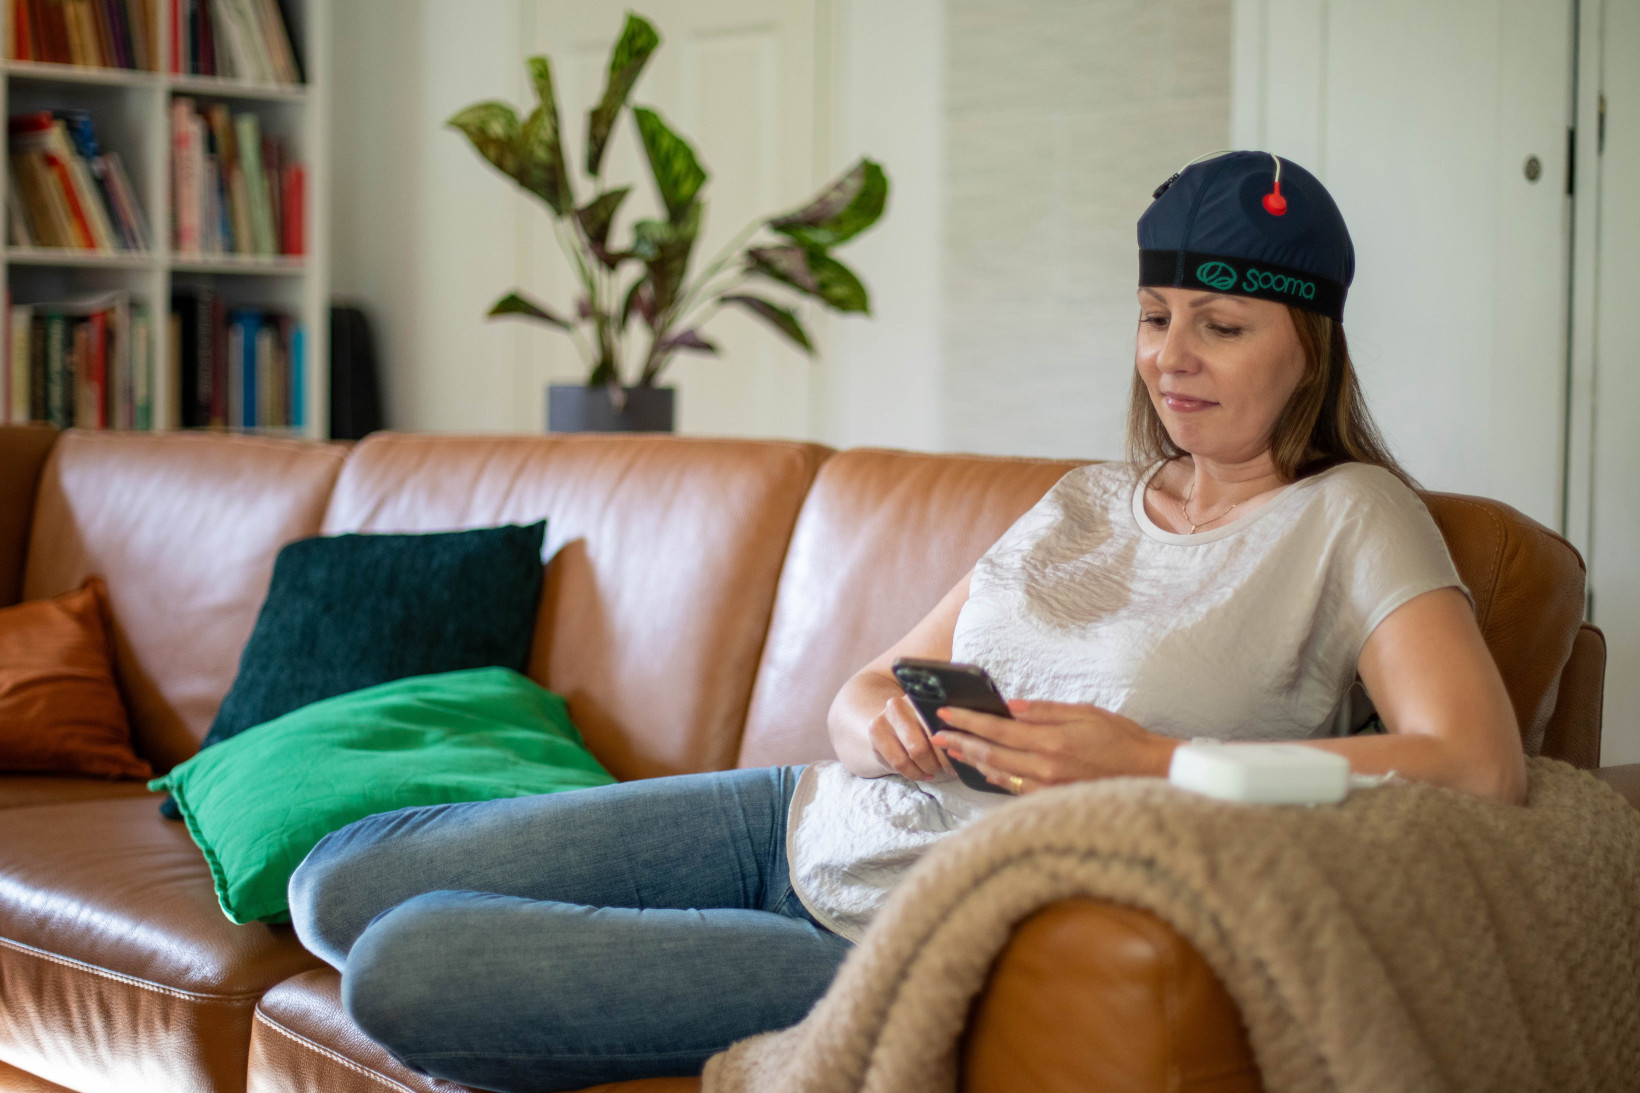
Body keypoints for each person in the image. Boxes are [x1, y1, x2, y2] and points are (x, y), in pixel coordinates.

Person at [287, 149, 1526, 1092]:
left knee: (406, 962)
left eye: (1222, 326)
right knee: (333, 880)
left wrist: (1157, 764)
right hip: (791, 813)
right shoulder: (1083, 498)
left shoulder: (1350, 518)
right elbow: (866, 681)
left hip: (898, 931)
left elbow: (1472, 766)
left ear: (1306, 347)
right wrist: (874, 713)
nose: (1171, 358)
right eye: (1155, 319)